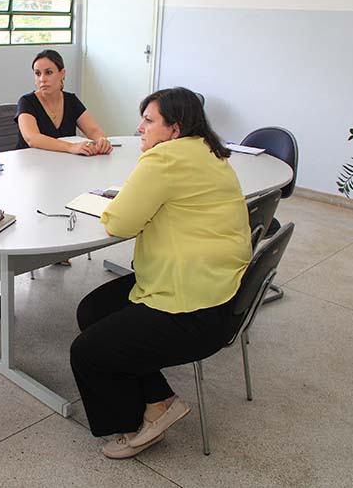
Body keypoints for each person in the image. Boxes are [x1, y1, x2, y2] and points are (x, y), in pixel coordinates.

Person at [69, 87, 252, 459]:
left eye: (149, 121)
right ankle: (159, 399)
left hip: (192, 306)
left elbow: (119, 223)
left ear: (174, 129)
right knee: (93, 311)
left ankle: (137, 427)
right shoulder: (208, 151)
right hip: (218, 289)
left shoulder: (165, 158)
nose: (140, 129)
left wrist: (116, 206)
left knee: (87, 351)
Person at [15, 49, 112, 156]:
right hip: (31, 164)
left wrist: (102, 140)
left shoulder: (71, 100)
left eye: (48, 72)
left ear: (62, 74)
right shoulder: (26, 101)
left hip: (64, 163)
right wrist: (71, 147)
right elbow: (32, 138)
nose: (42, 79)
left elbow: (93, 130)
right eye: (37, 74)